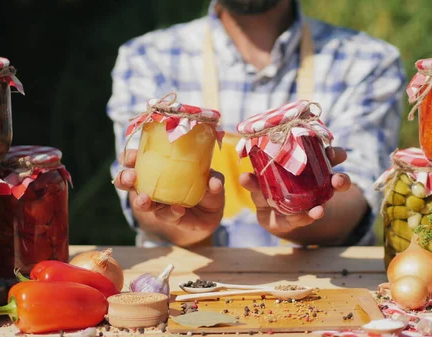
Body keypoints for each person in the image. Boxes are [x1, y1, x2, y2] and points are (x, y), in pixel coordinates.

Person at [108, 0, 405, 248]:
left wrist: (297, 218)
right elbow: (139, 192)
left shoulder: (369, 62)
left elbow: (360, 196)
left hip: (322, 283)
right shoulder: (147, 58)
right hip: (186, 284)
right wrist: (186, 224)